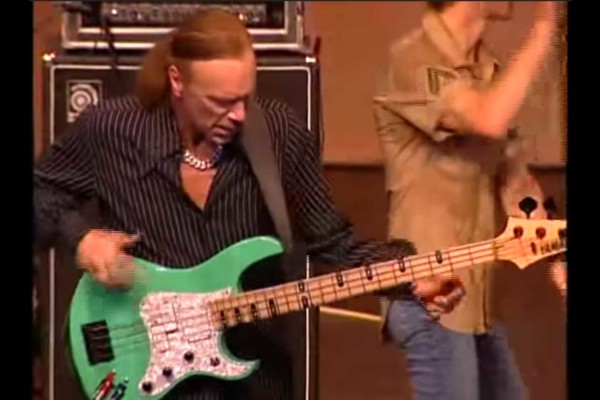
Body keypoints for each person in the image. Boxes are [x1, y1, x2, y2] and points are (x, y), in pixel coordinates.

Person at [33, 9, 466, 400]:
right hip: (139, 365)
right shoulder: (112, 130)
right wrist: (81, 238)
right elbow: (41, 191)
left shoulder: (276, 133)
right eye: (221, 102)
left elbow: (333, 243)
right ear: (177, 82)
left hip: (253, 377)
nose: (240, 115)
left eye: (245, 97)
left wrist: (408, 278)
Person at [372, 1, 559, 399]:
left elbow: (517, 183)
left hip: (475, 299)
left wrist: (559, 260)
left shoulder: (488, 69)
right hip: (430, 293)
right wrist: (544, 29)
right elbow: (487, 118)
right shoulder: (411, 59)